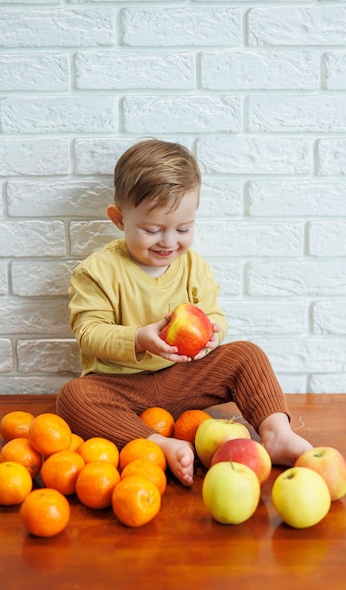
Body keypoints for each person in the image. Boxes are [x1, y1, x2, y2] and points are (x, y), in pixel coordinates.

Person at [56, 139, 312, 486]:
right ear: (119, 219)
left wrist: (213, 334)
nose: (168, 242)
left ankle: (276, 432)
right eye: (152, 229)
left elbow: (214, 315)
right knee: (73, 397)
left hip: (183, 377)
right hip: (122, 386)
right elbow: (88, 332)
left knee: (246, 354)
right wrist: (139, 338)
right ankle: (157, 443)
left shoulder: (192, 266)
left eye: (183, 229)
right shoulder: (96, 272)